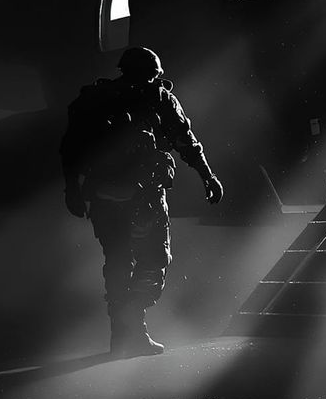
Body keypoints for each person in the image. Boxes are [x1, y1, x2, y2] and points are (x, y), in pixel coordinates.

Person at [59, 46, 224, 357]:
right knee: (150, 261)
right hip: (140, 196)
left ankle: (125, 333)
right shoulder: (156, 97)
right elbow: (185, 141)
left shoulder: (99, 99)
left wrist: (72, 189)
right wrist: (207, 176)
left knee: (124, 262)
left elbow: (71, 148)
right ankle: (131, 328)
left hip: (113, 194)